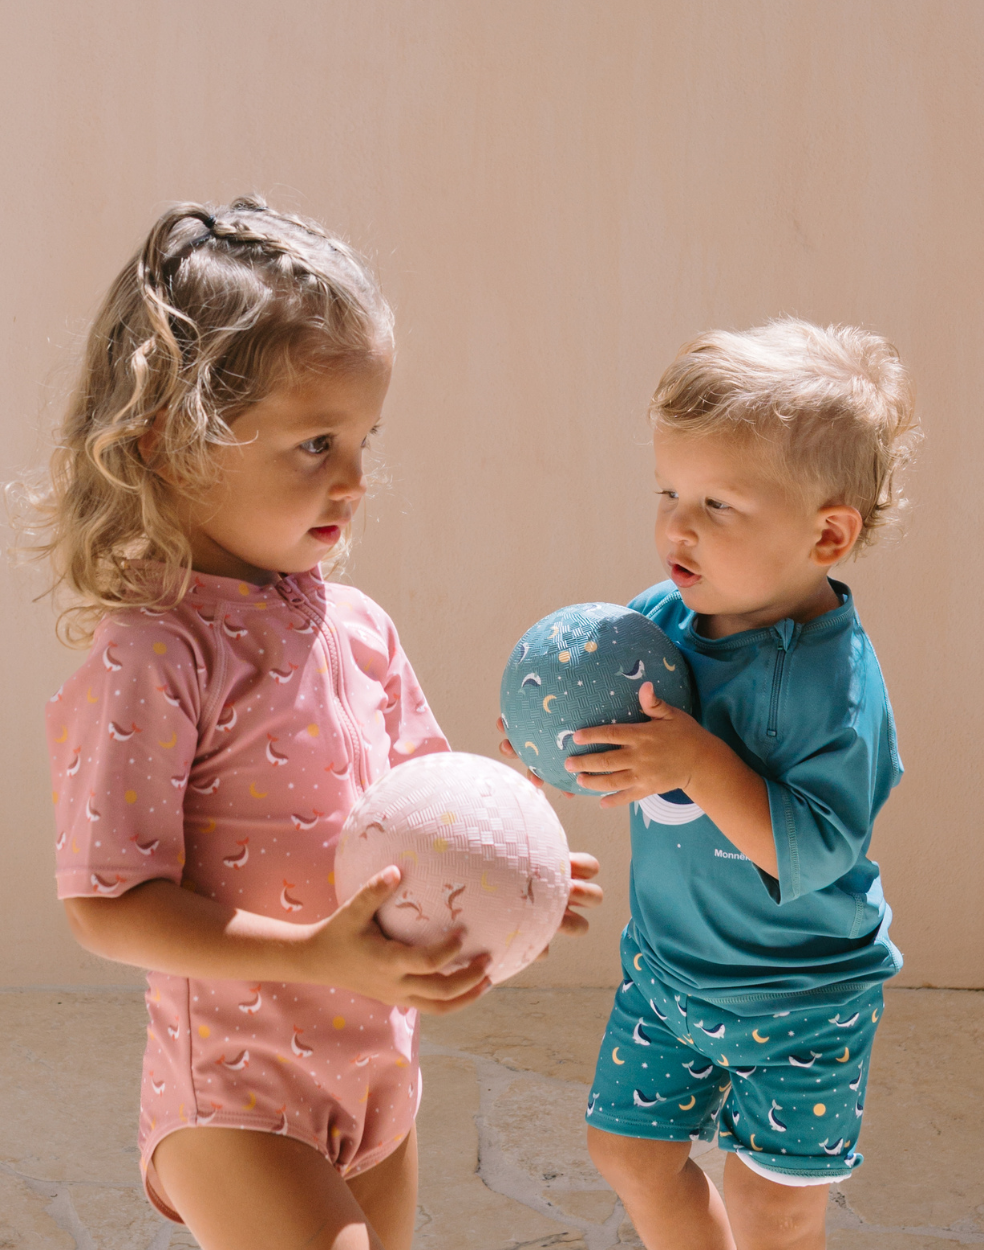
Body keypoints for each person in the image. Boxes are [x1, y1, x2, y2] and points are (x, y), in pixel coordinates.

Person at [35, 197, 602, 1250]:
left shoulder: (361, 625)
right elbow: (108, 906)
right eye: (313, 443)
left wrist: (508, 859)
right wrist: (315, 954)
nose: (353, 477)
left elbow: (419, 799)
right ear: (169, 441)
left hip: (377, 1068)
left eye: (363, 437)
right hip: (236, 1095)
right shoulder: (155, 653)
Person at [499, 319, 917, 1249]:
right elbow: (625, 748)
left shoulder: (834, 686)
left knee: (776, 1207)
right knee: (626, 1152)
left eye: (719, 505)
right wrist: (556, 741)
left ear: (828, 533)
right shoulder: (664, 621)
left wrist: (697, 762)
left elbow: (814, 849)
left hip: (803, 998)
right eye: (669, 490)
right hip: (668, 972)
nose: (677, 526)